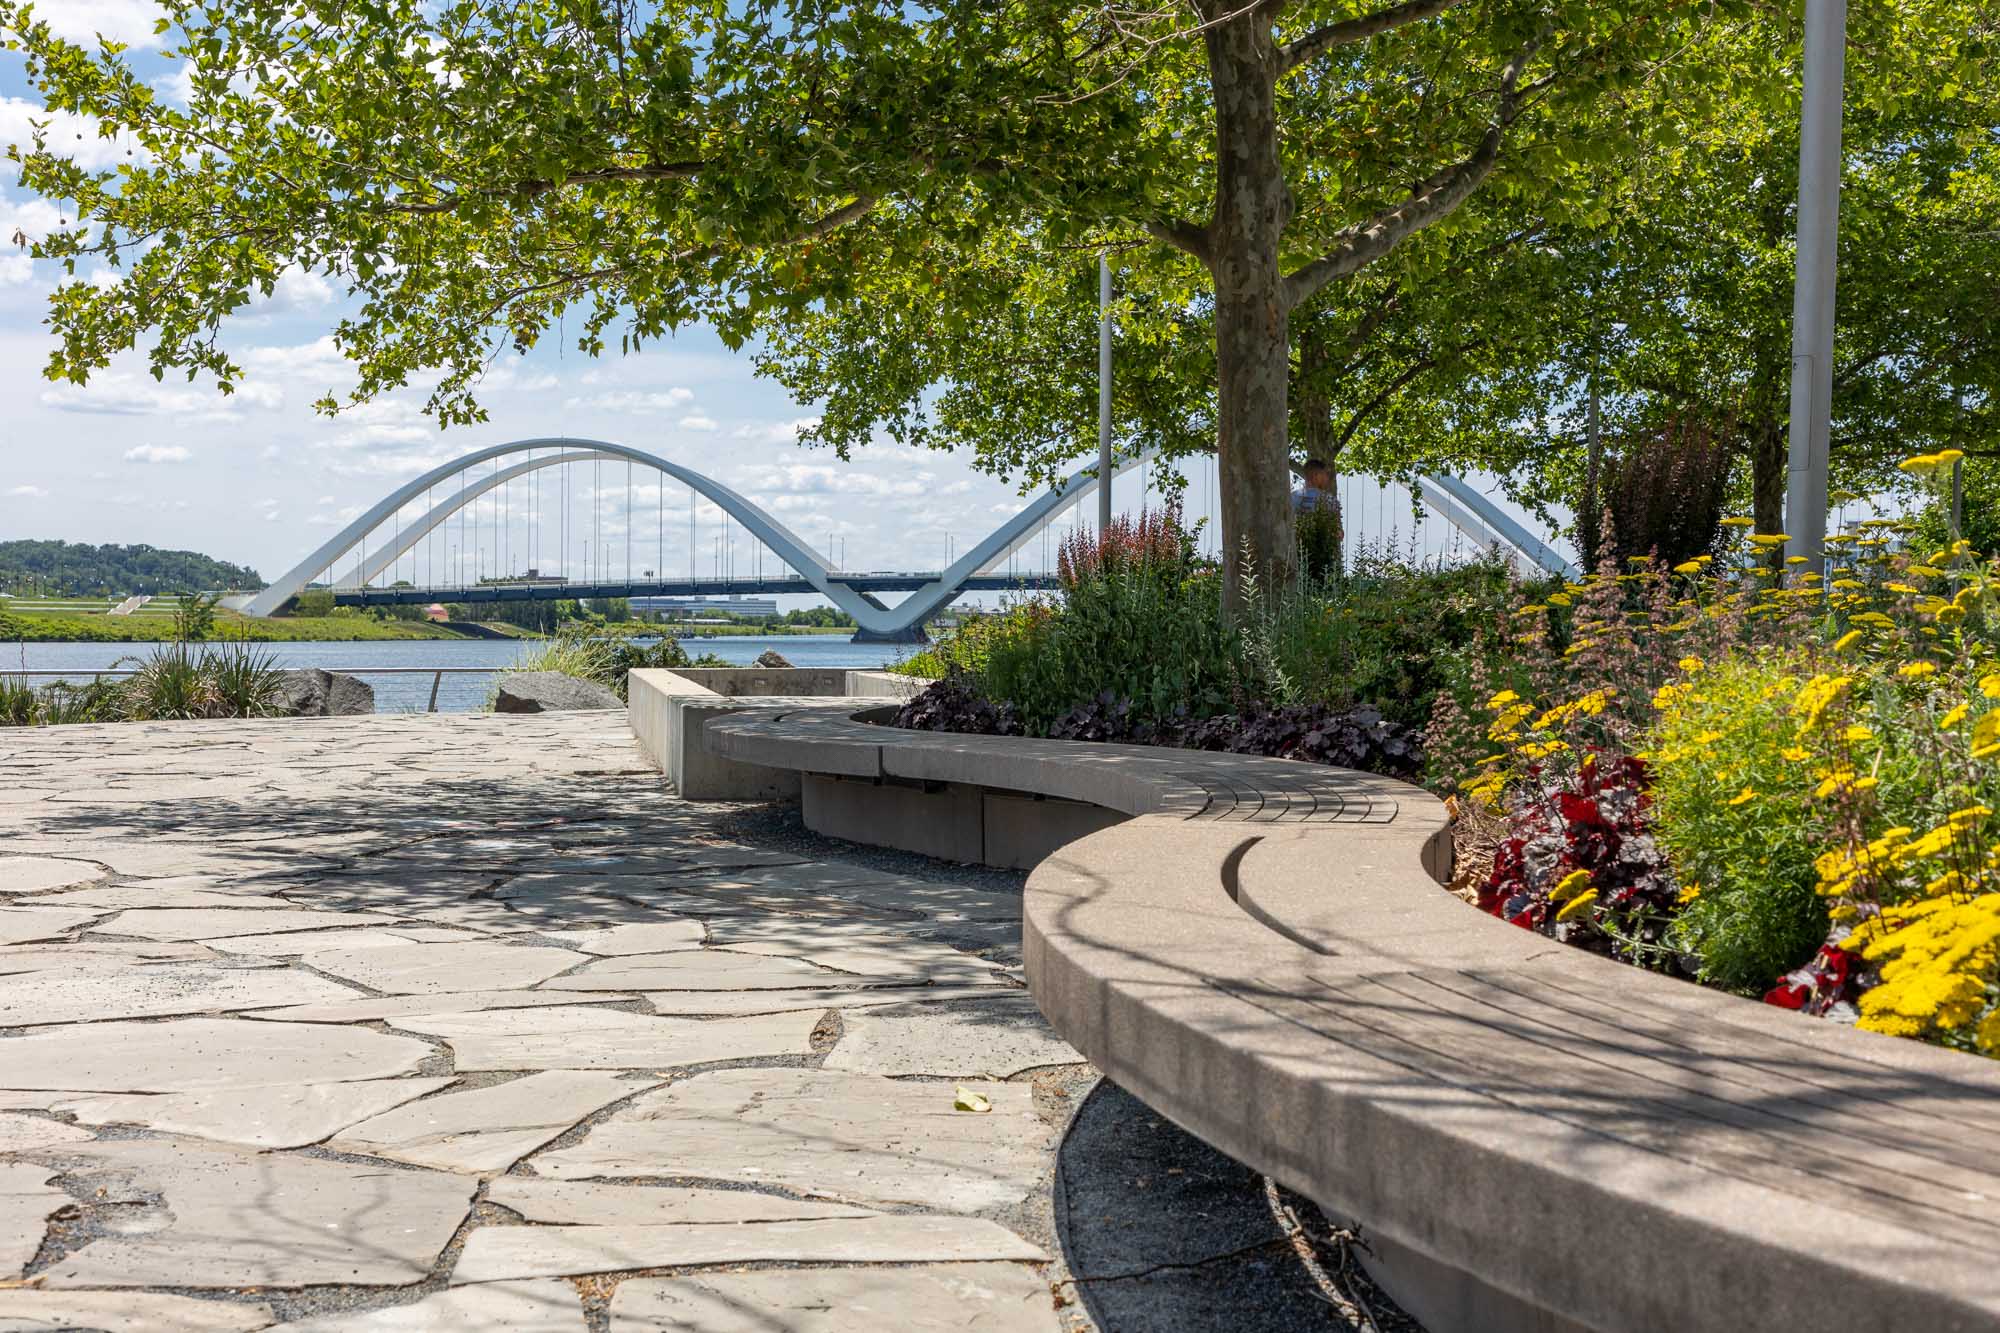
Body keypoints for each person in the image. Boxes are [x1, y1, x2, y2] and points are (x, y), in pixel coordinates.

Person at [1291, 458, 1344, 582]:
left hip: (1296, 556)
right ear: (1316, 475)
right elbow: (1338, 534)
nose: (1327, 478)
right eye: (1325, 474)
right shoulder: (1330, 501)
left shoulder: (1292, 498)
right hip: (1324, 559)